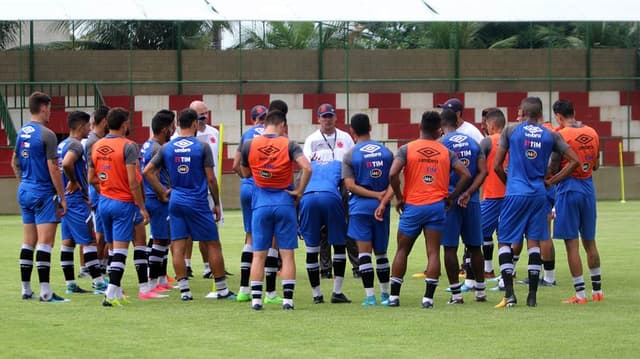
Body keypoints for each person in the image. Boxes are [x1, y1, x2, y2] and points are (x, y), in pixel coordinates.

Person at [375, 111, 470, 309]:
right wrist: (451, 197)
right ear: (438, 130)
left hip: (413, 206)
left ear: (420, 127)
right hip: (436, 206)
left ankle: (394, 297)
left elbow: (393, 173)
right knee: (433, 252)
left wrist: (400, 198)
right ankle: (428, 299)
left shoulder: (407, 149)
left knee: (403, 250)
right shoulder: (445, 151)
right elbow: (466, 174)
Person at [493, 97, 580, 308]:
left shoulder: (511, 131)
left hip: (515, 192)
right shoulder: (551, 134)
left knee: (504, 241)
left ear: (523, 111)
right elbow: (575, 160)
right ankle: (532, 296)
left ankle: (510, 294)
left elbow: (496, 166)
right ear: (540, 114)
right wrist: (552, 181)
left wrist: (510, 184)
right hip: (539, 194)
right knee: (534, 242)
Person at [144, 109, 234, 301]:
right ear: (194, 124)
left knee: (178, 244)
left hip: (176, 200)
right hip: (197, 201)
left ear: (178, 125)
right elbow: (211, 179)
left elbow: (147, 171)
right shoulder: (201, 147)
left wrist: (162, 191)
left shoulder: (167, 147)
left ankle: (185, 291)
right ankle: (222, 288)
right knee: (213, 244)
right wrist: (217, 203)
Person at [240, 109, 312, 310]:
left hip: (261, 202)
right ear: (282, 125)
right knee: (287, 254)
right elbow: (307, 167)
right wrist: (299, 191)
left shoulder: (249, 145)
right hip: (284, 202)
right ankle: (288, 300)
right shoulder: (288, 144)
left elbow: (243, 170)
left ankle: (256, 300)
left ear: (265, 125)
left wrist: (259, 172)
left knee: (258, 254)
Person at [89, 107, 150, 307]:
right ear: (124, 124)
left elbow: (91, 178)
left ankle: (115, 293)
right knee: (121, 251)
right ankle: (109, 295)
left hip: (103, 202)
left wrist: (106, 188)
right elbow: (133, 181)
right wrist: (141, 207)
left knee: (113, 249)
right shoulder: (129, 146)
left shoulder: (96, 145)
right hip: (122, 202)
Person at [13, 91, 68, 302]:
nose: (50, 113)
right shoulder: (47, 134)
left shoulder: (21, 132)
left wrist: (24, 183)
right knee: (45, 243)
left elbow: (15, 162)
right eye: (50, 109)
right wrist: (62, 197)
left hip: (25, 189)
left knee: (28, 242)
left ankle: (26, 289)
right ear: (43, 108)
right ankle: (45, 292)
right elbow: (54, 168)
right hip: (42, 191)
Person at [550, 99, 603, 304]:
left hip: (568, 189)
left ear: (559, 116)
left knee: (571, 244)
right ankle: (597, 291)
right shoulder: (592, 132)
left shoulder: (560, 135)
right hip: (588, 189)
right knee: (590, 242)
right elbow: (596, 165)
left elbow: (554, 168)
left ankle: (580, 295)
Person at [342, 113, 394, 306]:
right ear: (371, 127)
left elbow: (350, 186)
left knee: (364, 254)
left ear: (352, 131)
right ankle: (385, 294)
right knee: (381, 252)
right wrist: (382, 200)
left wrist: (373, 195)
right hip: (382, 209)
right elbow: (394, 182)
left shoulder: (350, 155)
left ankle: (370, 296)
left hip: (360, 208)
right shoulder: (386, 152)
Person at [303, 104, 359, 279]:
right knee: (323, 228)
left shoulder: (345, 137)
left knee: (348, 223)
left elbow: (352, 159)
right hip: (321, 185)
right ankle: (325, 268)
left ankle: (357, 266)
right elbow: (306, 164)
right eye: (324, 116)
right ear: (318, 119)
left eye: (330, 116)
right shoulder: (311, 139)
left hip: (343, 183)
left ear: (336, 118)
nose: (327, 120)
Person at [440, 109, 488, 304]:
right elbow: (484, 171)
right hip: (472, 201)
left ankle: (456, 295)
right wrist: (469, 193)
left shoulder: (442, 145)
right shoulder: (474, 143)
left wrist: (454, 195)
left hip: (450, 202)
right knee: (475, 247)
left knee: (450, 248)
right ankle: (480, 292)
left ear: (442, 126)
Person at [57, 110, 106, 295]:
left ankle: (70, 284)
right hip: (76, 200)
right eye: (88, 125)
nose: (89, 129)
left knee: (68, 242)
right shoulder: (76, 145)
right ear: (80, 126)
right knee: (90, 241)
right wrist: (74, 180)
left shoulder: (61, 144)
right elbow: (68, 163)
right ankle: (99, 283)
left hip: (65, 200)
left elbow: (57, 166)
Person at [231, 104, 276, 303]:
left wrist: (246, 178)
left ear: (252, 119)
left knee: (249, 237)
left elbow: (235, 165)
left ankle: (243, 289)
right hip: (265, 189)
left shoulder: (247, 135)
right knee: (272, 237)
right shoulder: (273, 135)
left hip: (247, 187)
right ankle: (270, 293)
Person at [299, 150, 351, 305]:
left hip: (307, 198)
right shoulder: (338, 164)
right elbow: (345, 189)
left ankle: (317, 295)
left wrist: (298, 221)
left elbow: (299, 185)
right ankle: (337, 292)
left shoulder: (308, 164)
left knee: (311, 249)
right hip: (331, 197)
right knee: (339, 245)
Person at [139, 110, 176, 293]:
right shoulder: (157, 149)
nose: (174, 129)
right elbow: (148, 172)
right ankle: (152, 284)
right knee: (160, 241)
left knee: (162, 239)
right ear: (164, 129)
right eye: (172, 126)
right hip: (156, 199)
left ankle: (160, 279)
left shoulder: (147, 145)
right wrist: (162, 191)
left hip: (150, 198)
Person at [479, 109, 507, 279]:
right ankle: (503, 275)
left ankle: (472, 278)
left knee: (475, 233)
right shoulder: (513, 140)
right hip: (511, 195)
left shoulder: (488, 141)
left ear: (492, 125)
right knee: (504, 236)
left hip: (493, 195)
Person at [84, 106, 110, 275]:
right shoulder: (93, 142)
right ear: (105, 121)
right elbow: (93, 173)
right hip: (98, 192)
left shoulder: (98, 140)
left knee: (103, 232)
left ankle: (101, 265)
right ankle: (96, 268)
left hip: (101, 191)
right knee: (99, 233)